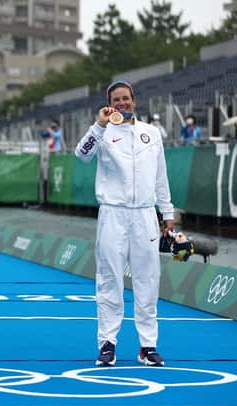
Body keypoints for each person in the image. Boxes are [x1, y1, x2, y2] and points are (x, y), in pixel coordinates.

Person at [75, 80, 174, 367]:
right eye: (116, 99)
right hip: (113, 213)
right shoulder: (103, 131)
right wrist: (99, 126)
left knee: (148, 280)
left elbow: (160, 177)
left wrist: (167, 213)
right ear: (108, 103)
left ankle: (148, 346)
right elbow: (81, 155)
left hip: (145, 215)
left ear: (134, 100)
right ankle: (107, 343)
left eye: (126, 98)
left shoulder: (151, 133)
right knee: (109, 279)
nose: (121, 103)